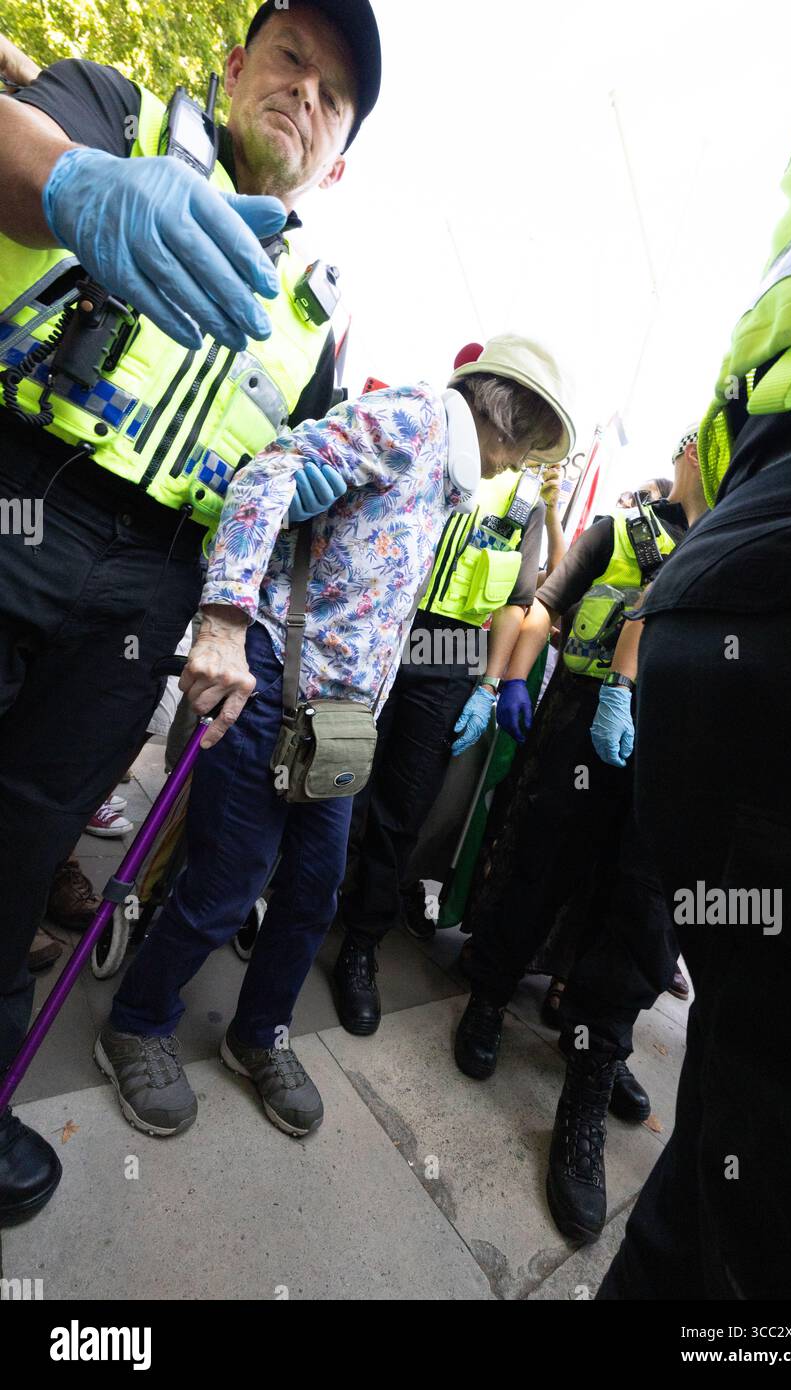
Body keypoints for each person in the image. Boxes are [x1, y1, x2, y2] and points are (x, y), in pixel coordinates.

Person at [0, 0, 382, 1228]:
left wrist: (234, 628)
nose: (304, 95)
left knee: (28, 837)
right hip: (21, 487)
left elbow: (283, 499)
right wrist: (79, 189)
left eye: (334, 97)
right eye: (290, 60)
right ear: (232, 70)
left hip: (155, 581)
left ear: (341, 158)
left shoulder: (322, 318)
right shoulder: (115, 113)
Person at [92, 336, 574, 1144]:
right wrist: (224, 621)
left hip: (341, 722)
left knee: (312, 892)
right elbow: (268, 475)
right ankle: (136, 1023)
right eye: (526, 442)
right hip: (276, 679)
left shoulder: (445, 478)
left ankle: (258, 1035)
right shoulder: (415, 420)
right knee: (225, 884)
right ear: (510, 419)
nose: (518, 463)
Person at [598, 4, 791, 1299]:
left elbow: (716, 478)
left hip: (759, 589)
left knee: (734, 1157)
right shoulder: (618, 518)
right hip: (779, 613)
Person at [452, 435, 703, 1243]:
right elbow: (548, 600)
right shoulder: (621, 529)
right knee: (539, 867)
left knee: (636, 913)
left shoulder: (740, 534)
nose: (699, 446)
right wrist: (512, 680)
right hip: (581, 727)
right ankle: (489, 998)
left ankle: (591, 1070)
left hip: (673, 750)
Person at [332, 339, 574, 1036]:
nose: (518, 451)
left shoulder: (524, 496)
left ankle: (360, 943)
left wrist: (489, 685)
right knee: (330, 773)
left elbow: (518, 596)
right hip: (380, 626)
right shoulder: (422, 433)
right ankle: (293, 905)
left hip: (449, 654)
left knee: (402, 804)